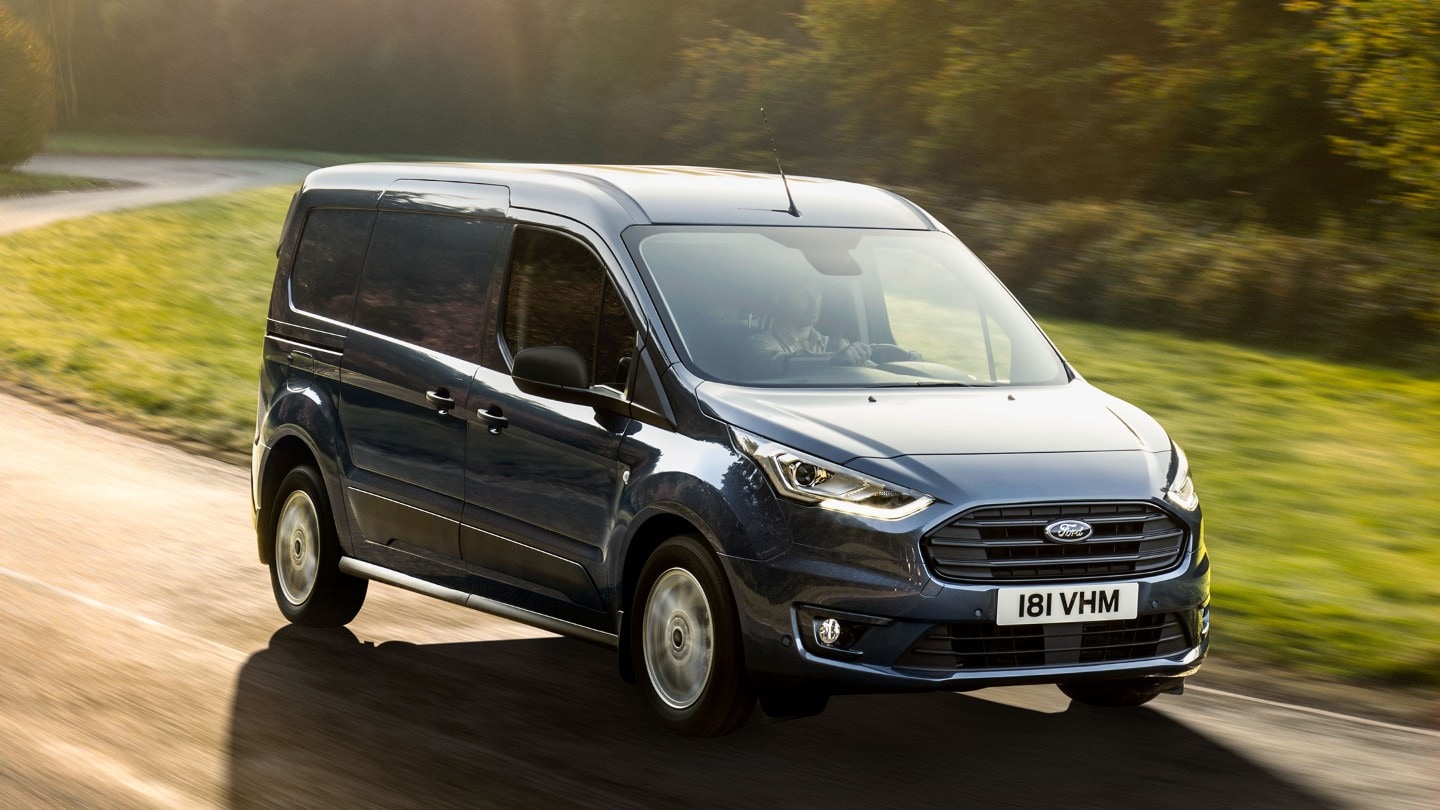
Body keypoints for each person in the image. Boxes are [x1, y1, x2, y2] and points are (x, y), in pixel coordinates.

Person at [743, 277, 919, 378]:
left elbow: (875, 373)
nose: (814, 302)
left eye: (818, 294)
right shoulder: (759, 344)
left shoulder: (838, 346)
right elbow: (777, 365)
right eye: (804, 295)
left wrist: (908, 369)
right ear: (779, 299)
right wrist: (834, 361)